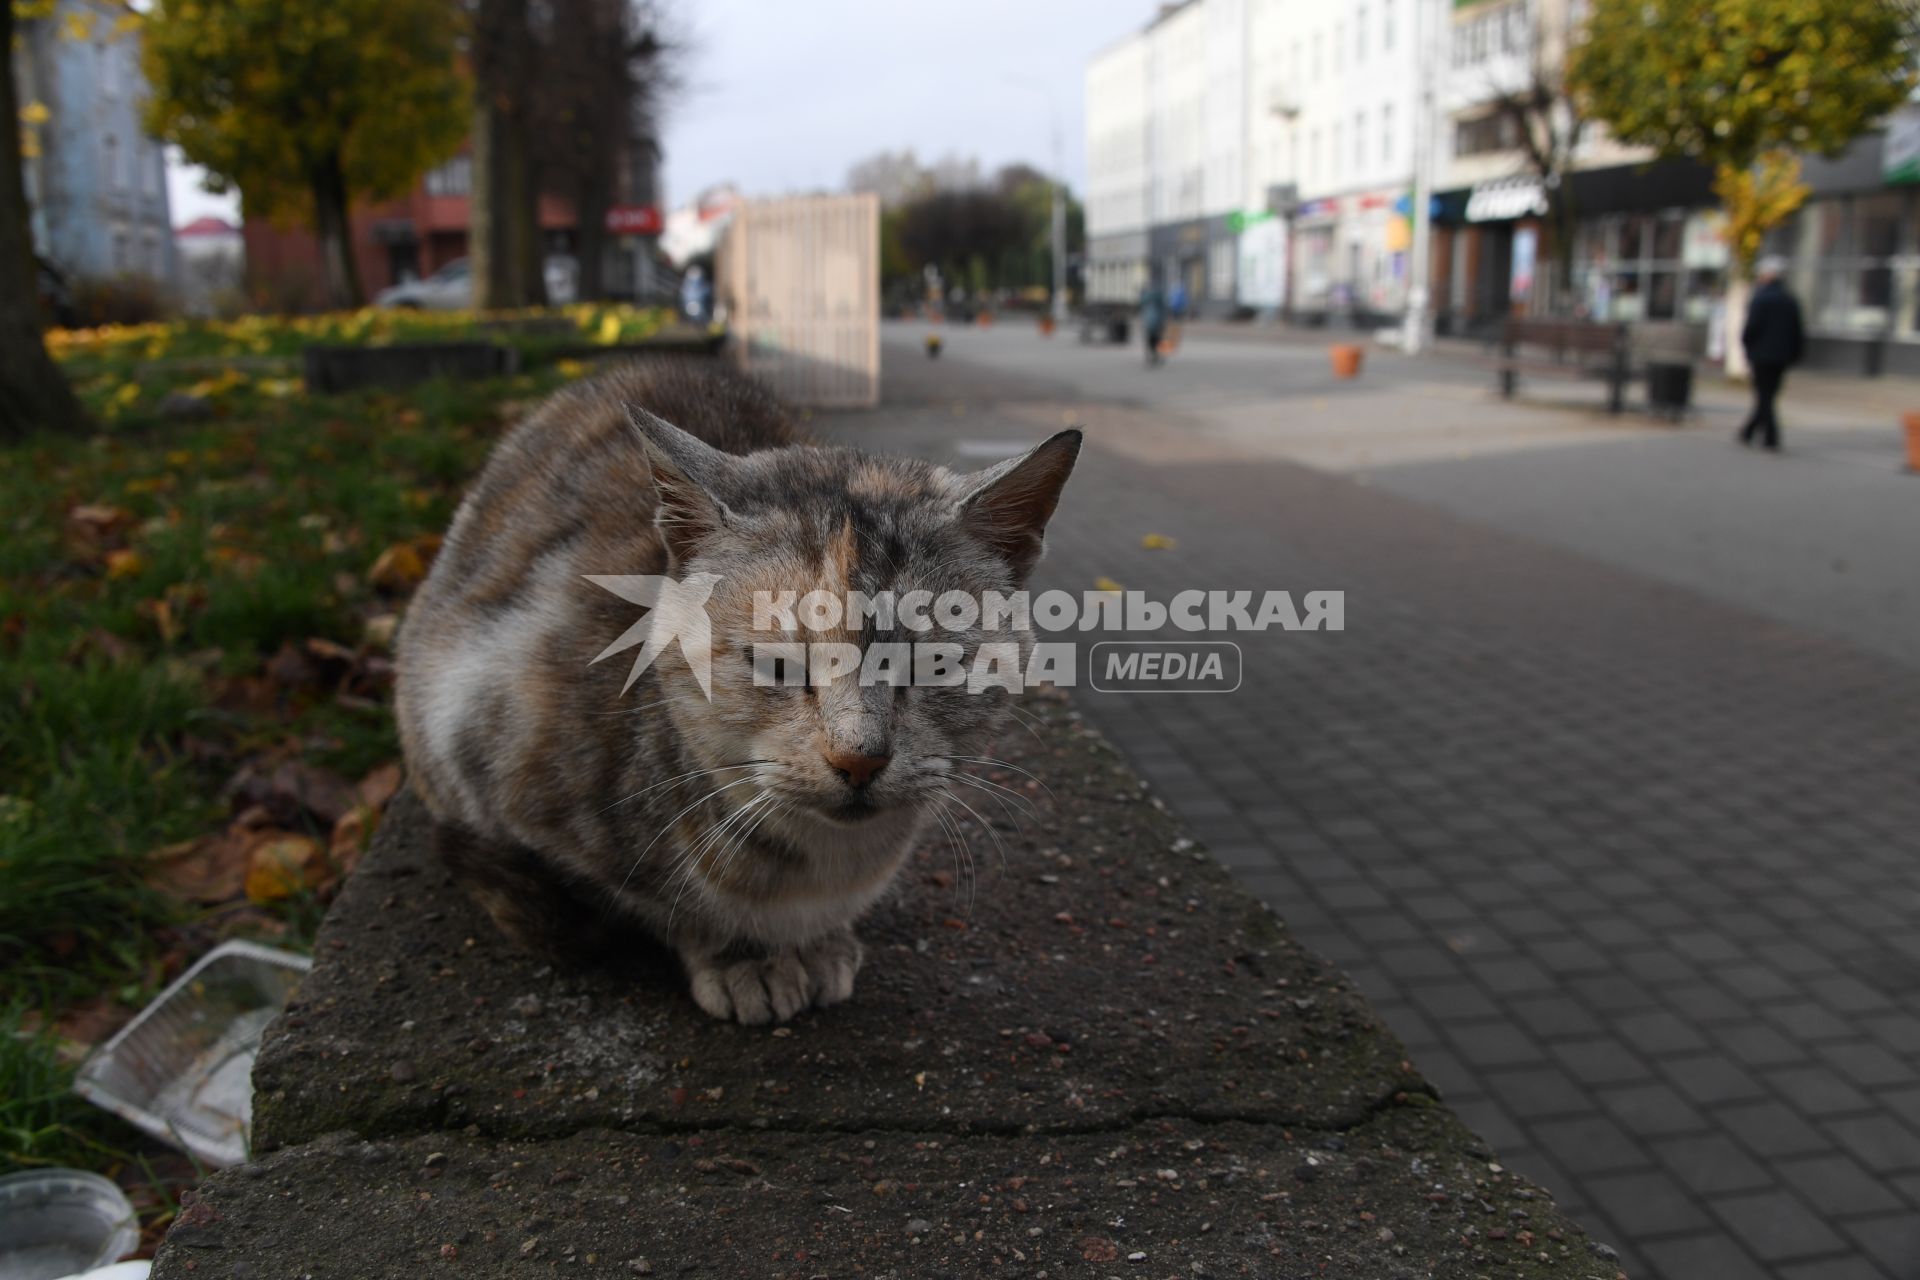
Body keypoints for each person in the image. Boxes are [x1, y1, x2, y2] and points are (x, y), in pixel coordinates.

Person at [1739, 255, 1804, 451]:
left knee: (1765, 395)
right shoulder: (1790, 300)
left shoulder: (1761, 299)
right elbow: (1798, 331)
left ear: (1767, 276)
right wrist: (1795, 353)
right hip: (1782, 356)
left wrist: (1747, 347)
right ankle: (1749, 431)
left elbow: (1751, 328)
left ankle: (1771, 436)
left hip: (1761, 355)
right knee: (1769, 394)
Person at [1138, 279, 1166, 367]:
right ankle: (1157, 355)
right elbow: (1164, 308)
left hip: (1149, 322)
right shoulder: (1159, 296)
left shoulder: (1146, 296)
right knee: (1158, 339)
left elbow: (1141, 305)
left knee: (1150, 339)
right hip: (1157, 321)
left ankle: (1151, 355)